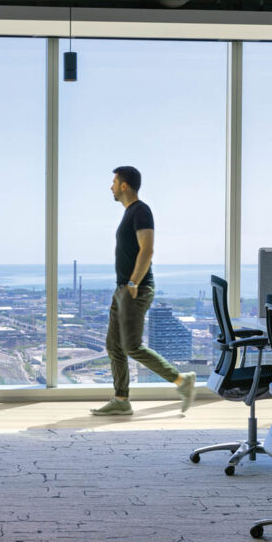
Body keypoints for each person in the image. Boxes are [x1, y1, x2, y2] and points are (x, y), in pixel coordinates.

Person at [91, 166, 196, 416]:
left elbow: (147, 250)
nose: (111, 186)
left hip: (135, 288)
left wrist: (133, 284)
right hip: (124, 288)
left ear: (124, 185)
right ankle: (121, 399)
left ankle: (182, 382)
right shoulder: (129, 213)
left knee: (132, 346)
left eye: (114, 182)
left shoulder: (141, 211)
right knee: (114, 346)